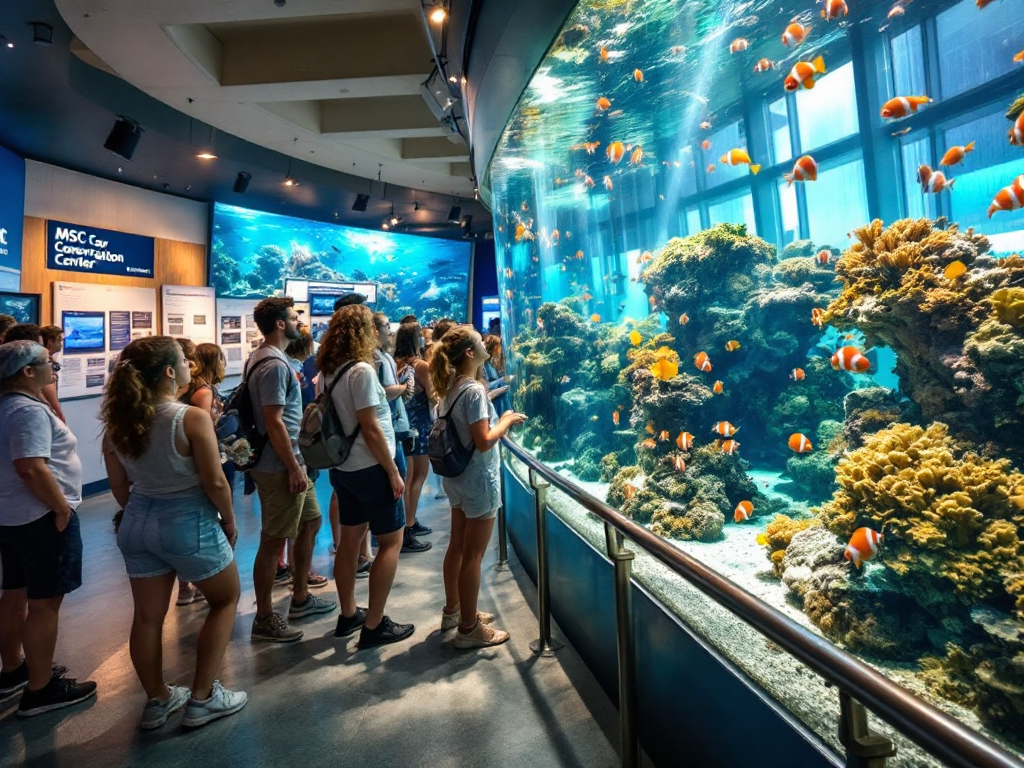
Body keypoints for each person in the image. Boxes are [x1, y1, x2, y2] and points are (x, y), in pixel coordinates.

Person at [101, 337, 246, 730]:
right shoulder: (188, 418)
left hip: (137, 521)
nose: (189, 366)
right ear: (169, 371)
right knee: (225, 598)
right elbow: (215, 482)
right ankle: (202, 699)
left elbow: (118, 486)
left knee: (147, 618)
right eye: (184, 361)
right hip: (187, 520)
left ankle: (157, 700)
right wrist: (228, 520)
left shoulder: (118, 423)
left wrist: (138, 509)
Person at [0, 341, 96, 715]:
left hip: (11, 516)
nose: (53, 368)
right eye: (47, 363)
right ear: (26, 371)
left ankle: (14, 669)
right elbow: (31, 466)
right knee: (44, 605)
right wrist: (60, 508)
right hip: (40, 518)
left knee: (14, 593)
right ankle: (40, 690)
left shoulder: (8, 406)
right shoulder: (27, 411)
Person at [318, 305, 414, 647]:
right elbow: (372, 428)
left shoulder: (328, 371)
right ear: (363, 332)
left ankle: (348, 615)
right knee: (391, 542)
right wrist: (392, 471)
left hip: (344, 470)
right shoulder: (360, 371)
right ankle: (374, 625)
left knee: (350, 542)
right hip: (371, 468)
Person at [430, 326, 527, 648]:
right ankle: (469, 629)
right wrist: (506, 421)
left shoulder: (450, 387)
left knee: (457, 546)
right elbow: (484, 441)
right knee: (473, 555)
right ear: (470, 354)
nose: (485, 343)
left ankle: (454, 610)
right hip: (477, 480)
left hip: (456, 479)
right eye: (478, 342)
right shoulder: (472, 391)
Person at [247, 298, 335, 644]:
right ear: (280, 324)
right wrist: (293, 465)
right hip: (281, 465)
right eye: (295, 317)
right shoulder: (273, 365)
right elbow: (274, 422)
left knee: (310, 521)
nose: (301, 321)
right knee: (273, 540)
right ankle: (265, 617)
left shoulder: (269, 358)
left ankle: (300, 597)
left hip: (293, 462)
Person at [392, 321, 433, 554]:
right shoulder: (421, 365)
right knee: (417, 476)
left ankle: (409, 522)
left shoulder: (395, 363)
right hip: (421, 426)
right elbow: (433, 394)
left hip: (403, 425)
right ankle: (408, 525)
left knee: (407, 478)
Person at [483, 335, 514, 416]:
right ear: (495, 347)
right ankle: (508, 413)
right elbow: (486, 385)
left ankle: (509, 413)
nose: (500, 347)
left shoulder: (490, 362)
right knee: (503, 385)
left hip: (496, 397)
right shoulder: (484, 364)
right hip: (493, 399)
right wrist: (503, 379)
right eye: (499, 345)